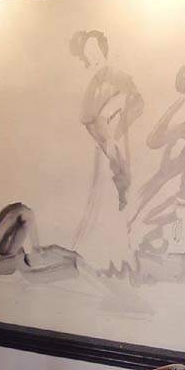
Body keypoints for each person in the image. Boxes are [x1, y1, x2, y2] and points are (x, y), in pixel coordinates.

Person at [69, 30, 144, 276]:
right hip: (101, 146)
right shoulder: (92, 82)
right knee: (103, 194)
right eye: (88, 53)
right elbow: (87, 118)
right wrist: (104, 135)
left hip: (118, 142)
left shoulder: (118, 76)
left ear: (103, 49)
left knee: (119, 194)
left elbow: (137, 103)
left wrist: (117, 126)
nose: (93, 55)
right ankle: (100, 258)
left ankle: (121, 258)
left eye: (96, 50)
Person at [128, 62, 185, 258]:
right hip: (168, 169)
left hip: (180, 172)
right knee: (151, 206)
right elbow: (153, 140)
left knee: (172, 209)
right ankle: (137, 245)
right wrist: (179, 132)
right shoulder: (179, 107)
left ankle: (155, 248)